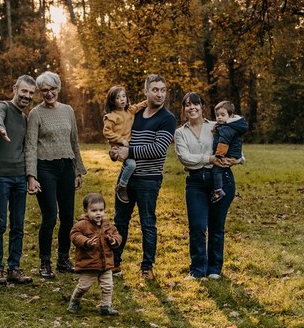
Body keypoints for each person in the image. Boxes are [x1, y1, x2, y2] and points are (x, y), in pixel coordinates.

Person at [112, 74, 176, 281]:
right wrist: (115, 151)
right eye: (155, 89)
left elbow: (158, 149)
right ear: (146, 91)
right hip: (126, 178)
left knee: (148, 223)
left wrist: (128, 152)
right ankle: (114, 263)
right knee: (120, 221)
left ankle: (147, 267)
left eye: (163, 90)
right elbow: (122, 139)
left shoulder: (167, 118)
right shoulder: (135, 115)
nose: (159, 94)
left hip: (149, 179)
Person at [25, 71, 87, 279]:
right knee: (50, 216)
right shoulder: (35, 114)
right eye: (44, 91)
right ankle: (45, 262)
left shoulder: (68, 110)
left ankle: (63, 259)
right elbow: (31, 146)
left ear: (58, 89)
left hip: (66, 168)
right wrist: (31, 176)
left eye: (52, 89)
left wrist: (77, 170)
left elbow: (74, 142)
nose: (49, 94)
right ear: (40, 92)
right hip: (45, 169)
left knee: (68, 217)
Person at [174, 92, 239, 280]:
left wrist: (236, 160)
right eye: (187, 105)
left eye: (196, 104)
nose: (192, 107)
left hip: (221, 179)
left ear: (203, 106)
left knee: (216, 226)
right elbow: (185, 158)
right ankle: (197, 270)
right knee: (197, 226)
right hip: (195, 182)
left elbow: (235, 144)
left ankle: (214, 270)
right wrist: (209, 158)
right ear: (184, 109)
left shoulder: (216, 126)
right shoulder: (180, 133)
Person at [0, 75, 38, 286]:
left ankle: (13, 268)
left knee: (17, 224)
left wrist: (29, 177)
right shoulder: (4, 107)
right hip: (0, 177)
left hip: (19, 177)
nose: (26, 96)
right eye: (23, 91)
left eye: (30, 93)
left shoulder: (25, 118)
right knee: (0, 223)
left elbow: (27, 149)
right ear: (15, 88)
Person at [67, 193, 122, 316]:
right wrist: (86, 241)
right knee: (83, 287)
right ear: (86, 211)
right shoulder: (82, 225)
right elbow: (75, 235)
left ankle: (105, 306)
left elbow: (117, 235)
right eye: (94, 210)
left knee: (108, 286)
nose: (98, 213)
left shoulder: (107, 225)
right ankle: (75, 300)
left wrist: (114, 240)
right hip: (89, 263)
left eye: (101, 210)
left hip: (106, 263)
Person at [102, 85, 148, 204]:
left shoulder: (130, 111)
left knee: (135, 162)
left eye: (124, 96)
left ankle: (114, 156)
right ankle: (121, 186)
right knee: (131, 165)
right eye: (118, 98)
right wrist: (121, 140)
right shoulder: (111, 116)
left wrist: (151, 99)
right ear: (112, 101)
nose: (122, 99)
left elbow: (140, 105)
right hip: (118, 146)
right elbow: (106, 132)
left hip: (129, 146)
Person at [209, 101, 249, 203]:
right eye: (217, 115)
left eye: (223, 115)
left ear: (230, 116)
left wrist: (218, 155)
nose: (219, 118)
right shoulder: (228, 126)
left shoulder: (227, 128)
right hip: (233, 152)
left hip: (228, 153)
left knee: (216, 170)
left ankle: (218, 190)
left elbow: (223, 143)